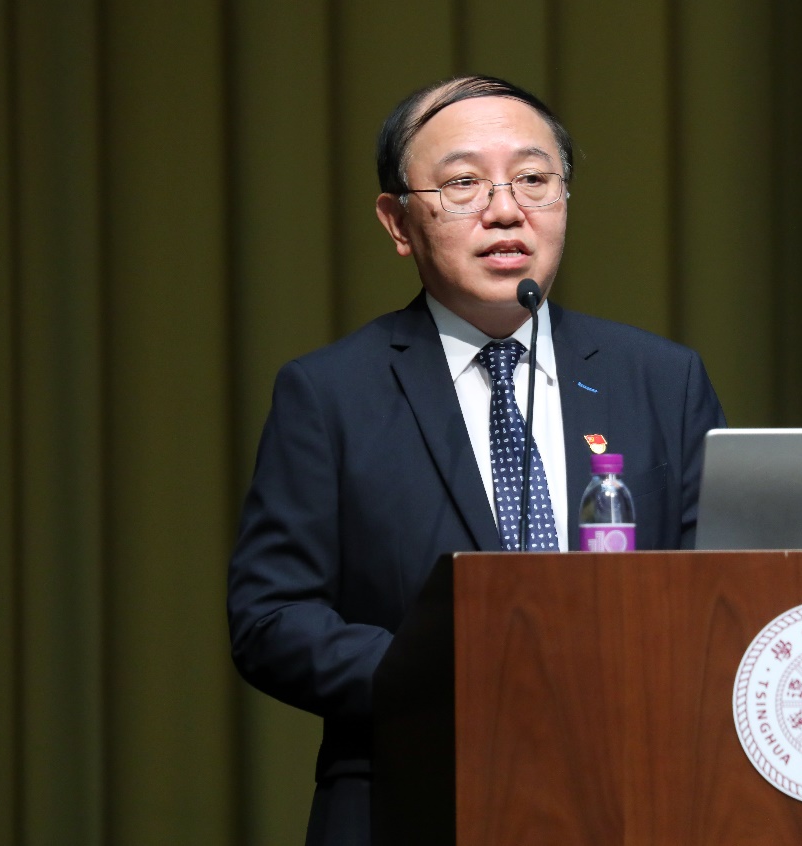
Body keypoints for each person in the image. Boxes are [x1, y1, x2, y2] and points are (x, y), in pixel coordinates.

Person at [226, 75, 724, 844]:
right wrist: (454, 670)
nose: (505, 209)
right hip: (412, 801)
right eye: (463, 184)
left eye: (533, 179)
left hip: (631, 796)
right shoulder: (329, 394)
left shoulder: (661, 379)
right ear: (398, 222)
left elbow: (720, 593)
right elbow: (271, 620)